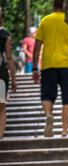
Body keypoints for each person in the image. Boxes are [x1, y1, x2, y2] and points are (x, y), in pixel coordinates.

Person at [32, 0, 68, 138]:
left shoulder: (45, 21)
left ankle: (49, 115)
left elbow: (37, 46)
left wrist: (34, 68)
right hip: (67, 64)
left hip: (48, 64)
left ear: (53, 6)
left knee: (47, 95)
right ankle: (64, 131)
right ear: (64, 6)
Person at [0, 8, 17, 139]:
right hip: (1, 74)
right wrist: (13, 79)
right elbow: (9, 58)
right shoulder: (5, 34)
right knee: (1, 107)